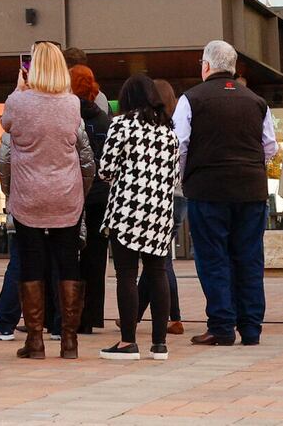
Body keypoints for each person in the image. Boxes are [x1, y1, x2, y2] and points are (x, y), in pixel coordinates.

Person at [0, 40, 93, 360]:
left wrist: (19, 89)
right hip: (66, 194)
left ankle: (35, 340)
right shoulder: (72, 105)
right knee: (68, 262)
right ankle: (68, 340)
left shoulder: (19, 102)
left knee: (32, 263)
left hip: (29, 196)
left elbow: (7, 126)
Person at [175, 37, 273, 347]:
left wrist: (185, 176)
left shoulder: (191, 98)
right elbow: (269, 146)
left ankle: (221, 325)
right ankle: (251, 326)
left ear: (205, 66)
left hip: (208, 189)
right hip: (252, 189)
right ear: (232, 67)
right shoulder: (257, 101)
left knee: (213, 257)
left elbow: (180, 144)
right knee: (249, 257)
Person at [92, 73, 178, 360]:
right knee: (157, 273)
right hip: (159, 213)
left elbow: (104, 169)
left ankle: (128, 341)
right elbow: (174, 175)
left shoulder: (122, 125)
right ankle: (159, 344)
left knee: (126, 275)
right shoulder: (169, 131)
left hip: (128, 211)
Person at [70, 64, 112, 339]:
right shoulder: (105, 120)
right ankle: (92, 314)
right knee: (96, 257)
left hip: (73, 193)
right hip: (101, 195)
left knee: (69, 253)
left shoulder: (69, 118)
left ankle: (69, 313)